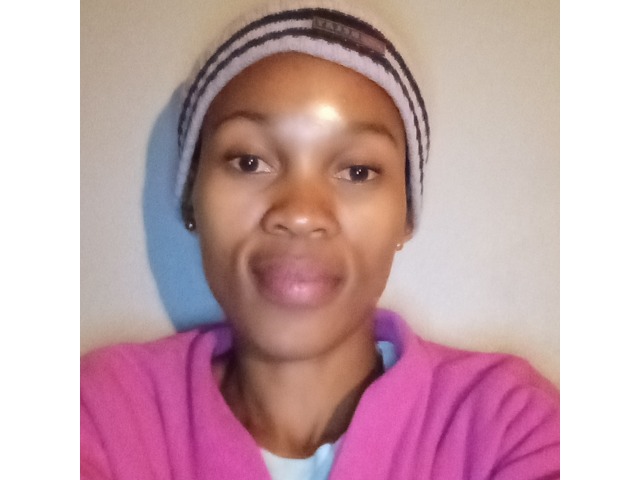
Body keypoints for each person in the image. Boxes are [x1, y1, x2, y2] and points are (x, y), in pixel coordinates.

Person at [80, 1, 560, 479]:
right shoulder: (103, 415)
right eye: (249, 162)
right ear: (192, 202)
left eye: (357, 171)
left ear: (405, 218)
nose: (301, 213)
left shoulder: (507, 426)